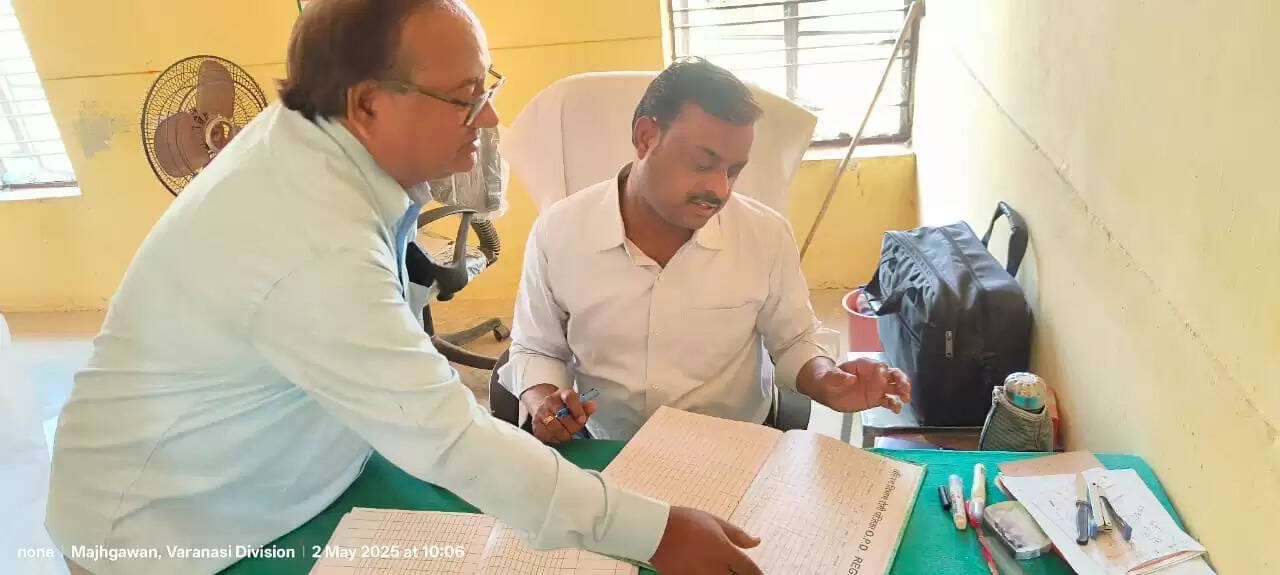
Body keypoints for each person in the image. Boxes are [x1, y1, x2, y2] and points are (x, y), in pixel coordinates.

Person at [44, 2, 761, 574]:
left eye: (486, 88)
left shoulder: (319, 136)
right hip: (174, 522)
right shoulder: (308, 240)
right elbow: (447, 436)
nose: (489, 119)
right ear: (366, 105)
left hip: (295, 459)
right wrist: (656, 533)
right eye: (464, 99)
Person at [501, 58, 913, 443]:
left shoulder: (764, 235)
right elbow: (536, 347)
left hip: (735, 446)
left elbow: (793, 339)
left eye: (733, 170)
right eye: (703, 164)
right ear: (645, 138)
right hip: (612, 445)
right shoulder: (559, 233)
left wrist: (827, 380)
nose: (719, 189)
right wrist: (543, 402)